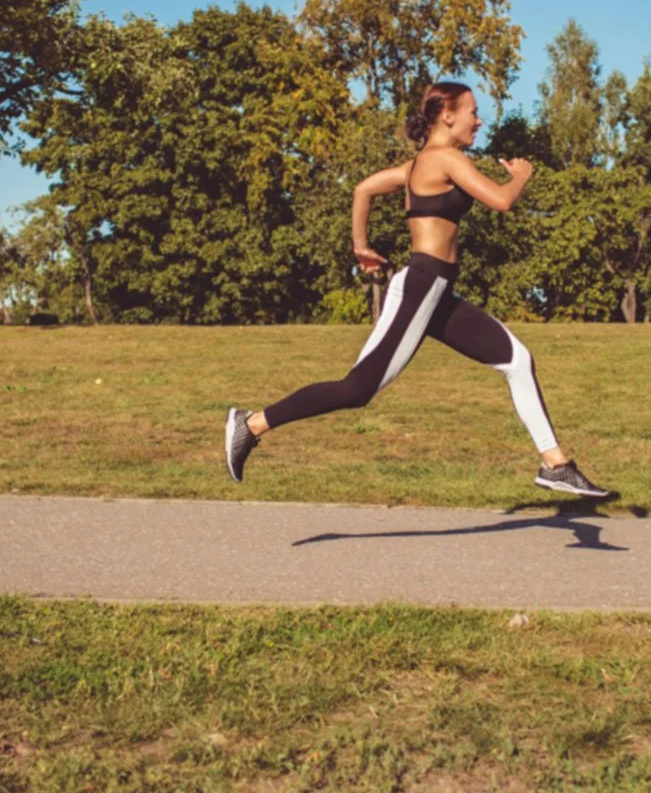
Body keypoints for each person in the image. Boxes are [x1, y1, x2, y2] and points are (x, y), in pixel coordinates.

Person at [226, 81, 611, 499]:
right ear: (448, 115)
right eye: (473, 112)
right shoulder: (445, 158)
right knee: (358, 389)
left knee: (518, 361)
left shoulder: (416, 167)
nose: (478, 120)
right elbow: (501, 200)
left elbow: (363, 189)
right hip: (422, 286)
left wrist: (361, 246)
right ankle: (250, 425)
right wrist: (520, 177)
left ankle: (556, 464)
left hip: (437, 292)